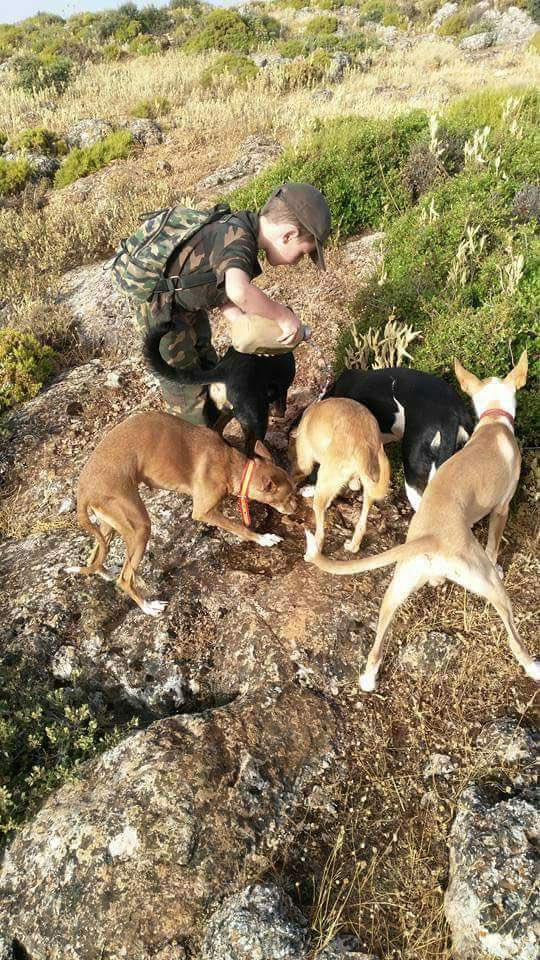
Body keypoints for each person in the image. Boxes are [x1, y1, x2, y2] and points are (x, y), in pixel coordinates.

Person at [133, 182, 332, 425]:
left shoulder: (239, 229)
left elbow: (219, 290)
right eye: (301, 253)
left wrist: (241, 321)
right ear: (288, 234)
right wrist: (282, 316)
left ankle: (213, 433)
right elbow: (237, 290)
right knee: (187, 393)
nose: (297, 261)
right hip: (161, 309)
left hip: (187, 307)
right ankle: (195, 445)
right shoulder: (240, 239)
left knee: (207, 368)